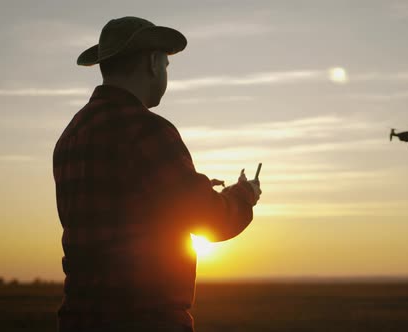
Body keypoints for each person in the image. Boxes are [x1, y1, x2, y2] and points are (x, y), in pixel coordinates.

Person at [53, 16, 261, 332]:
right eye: (166, 64)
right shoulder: (148, 131)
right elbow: (210, 219)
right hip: (146, 320)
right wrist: (243, 195)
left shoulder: (70, 136)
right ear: (153, 62)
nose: (165, 72)